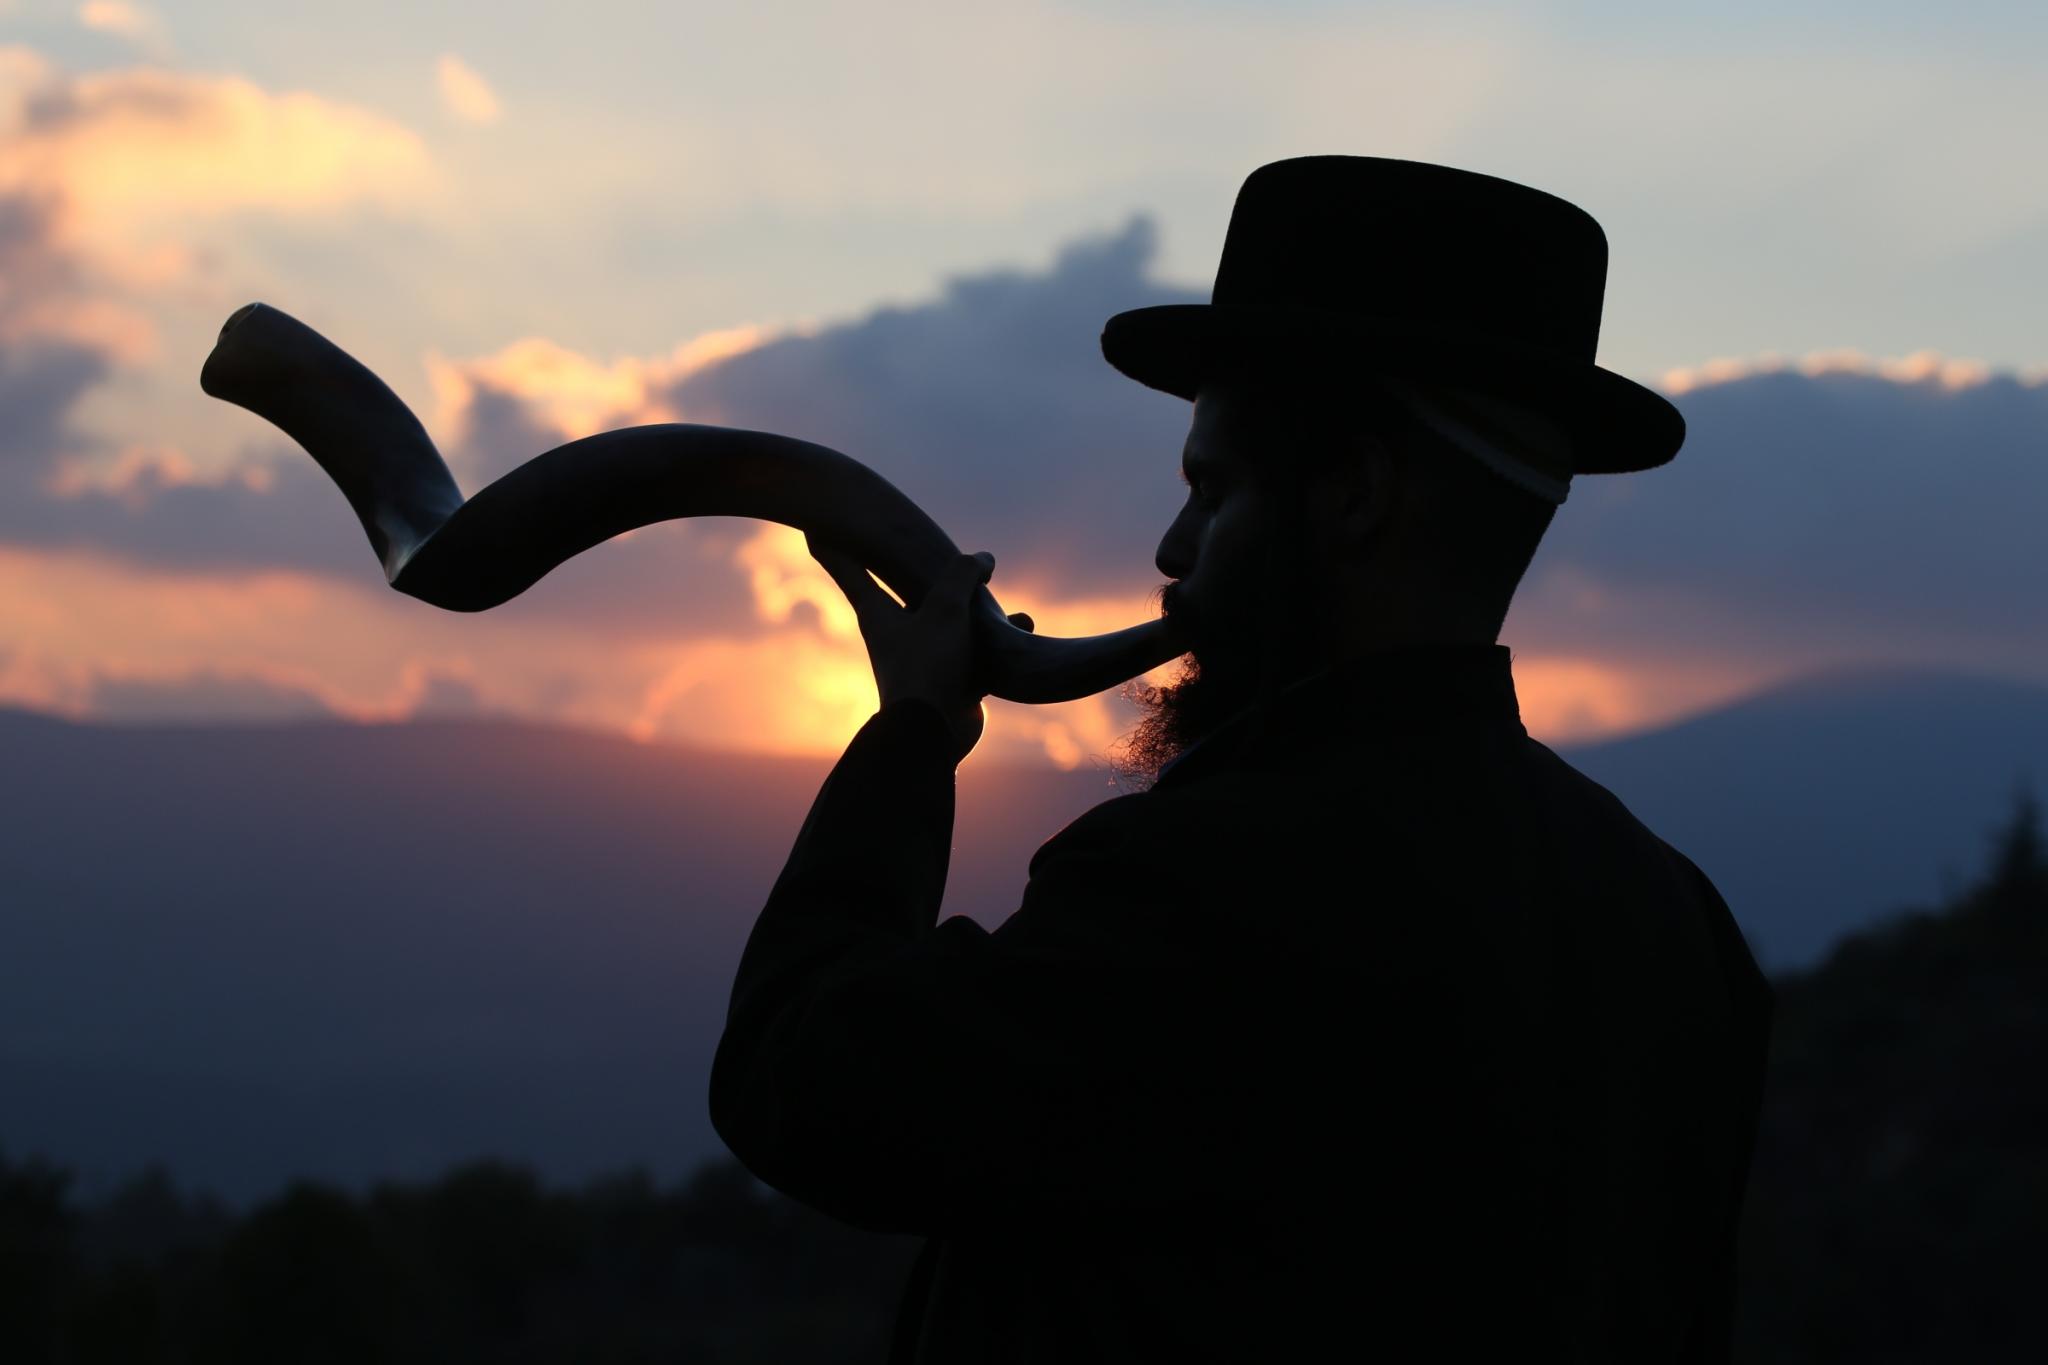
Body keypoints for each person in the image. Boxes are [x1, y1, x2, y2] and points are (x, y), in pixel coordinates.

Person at [709, 156, 1775, 1363]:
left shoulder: (1212, 883)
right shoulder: (1675, 929)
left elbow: (802, 1085)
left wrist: (909, 739)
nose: (1170, 550)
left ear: (1355, 494)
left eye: (1210, 492)